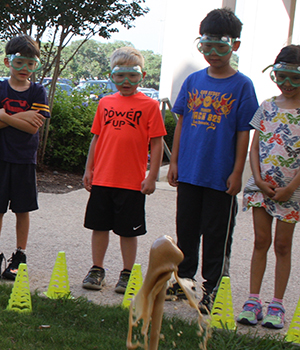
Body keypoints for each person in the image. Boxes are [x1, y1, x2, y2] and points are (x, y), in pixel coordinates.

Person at [167, 8, 259, 313]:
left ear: (235, 46)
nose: (213, 53)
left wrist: (237, 173)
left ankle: (213, 288)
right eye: (206, 46)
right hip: (190, 171)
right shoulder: (193, 81)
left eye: (221, 46)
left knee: (217, 232)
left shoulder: (242, 85)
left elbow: (244, 132)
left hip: (221, 176)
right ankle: (184, 281)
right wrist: (175, 162)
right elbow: (181, 122)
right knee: (187, 228)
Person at [81, 47, 166, 293]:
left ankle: (128, 272)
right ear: (112, 76)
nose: (126, 81)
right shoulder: (105, 103)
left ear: (142, 76)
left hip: (132, 182)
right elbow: (96, 138)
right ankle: (97, 269)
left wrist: (152, 176)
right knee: (100, 226)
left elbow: (157, 142)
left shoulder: (150, 106)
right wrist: (89, 169)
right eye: (120, 76)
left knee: (128, 231)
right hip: (103, 179)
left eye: (133, 75)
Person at [236, 45, 300, 329]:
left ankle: (277, 305)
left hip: (292, 192)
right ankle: (253, 301)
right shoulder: (266, 106)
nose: (286, 84)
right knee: (261, 241)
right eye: (280, 76)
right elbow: (255, 147)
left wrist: (290, 189)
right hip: (261, 188)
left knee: (282, 246)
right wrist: (258, 179)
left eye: (293, 78)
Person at [0, 35, 50, 280]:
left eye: (31, 64)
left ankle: (19, 256)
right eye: (20, 62)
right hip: (0, 157)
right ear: (8, 61)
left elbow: (33, 128)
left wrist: (5, 116)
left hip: (25, 160)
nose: (25, 69)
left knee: (22, 209)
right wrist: (23, 115)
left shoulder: (38, 91)